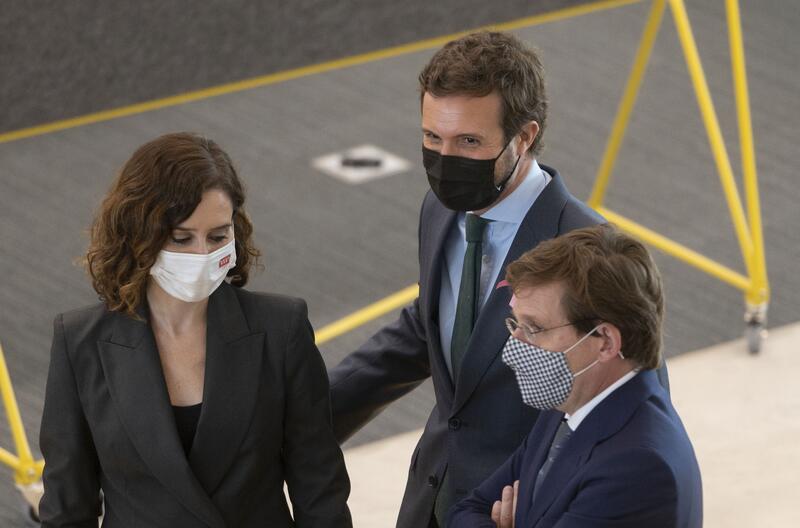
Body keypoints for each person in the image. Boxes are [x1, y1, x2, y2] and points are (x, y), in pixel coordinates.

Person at [327, 31, 662, 528]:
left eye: (468, 142)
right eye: (431, 138)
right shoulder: (440, 210)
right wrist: (306, 418)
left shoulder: (592, 248)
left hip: (521, 511)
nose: (444, 161)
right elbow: (430, 327)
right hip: (432, 500)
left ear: (524, 137)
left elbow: (637, 401)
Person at [38, 132, 352, 527]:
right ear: (139, 235)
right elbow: (67, 508)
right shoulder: (79, 343)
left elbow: (320, 490)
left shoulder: (281, 329)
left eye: (218, 236)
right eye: (181, 238)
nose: (203, 254)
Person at [450, 224, 702, 527]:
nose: (513, 347)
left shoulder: (636, 467)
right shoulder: (567, 405)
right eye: (516, 325)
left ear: (605, 342)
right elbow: (466, 510)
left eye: (534, 328)